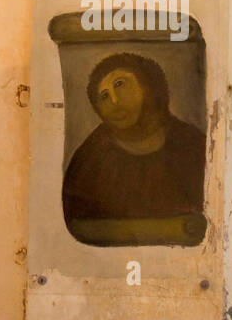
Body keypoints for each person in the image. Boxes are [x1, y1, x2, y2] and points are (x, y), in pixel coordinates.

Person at [62, 52, 207, 246]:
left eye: (120, 84)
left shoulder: (192, 144)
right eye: (104, 96)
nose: (114, 101)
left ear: (150, 85)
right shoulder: (89, 162)